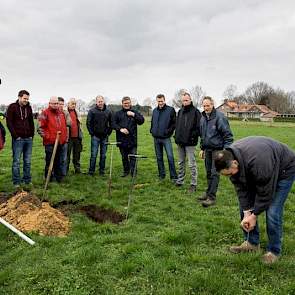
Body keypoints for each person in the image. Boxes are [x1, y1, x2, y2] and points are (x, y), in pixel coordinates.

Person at [214, 136, 295, 264]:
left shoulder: (258, 162)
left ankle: (274, 251)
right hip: (261, 168)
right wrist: (247, 213)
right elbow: (241, 190)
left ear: (235, 162)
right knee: (244, 207)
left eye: (229, 174)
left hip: (284, 169)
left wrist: (254, 215)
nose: (230, 177)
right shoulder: (230, 158)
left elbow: (265, 193)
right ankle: (251, 243)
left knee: (273, 210)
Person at [198, 96, 233, 207]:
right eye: (204, 106)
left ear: (212, 105)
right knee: (208, 173)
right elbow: (202, 135)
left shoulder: (220, 117)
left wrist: (225, 152)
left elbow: (228, 136)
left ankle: (211, 198)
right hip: (207, 149)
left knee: (214, 173)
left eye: (208, 105)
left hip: (218, 150)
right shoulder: (203, 117)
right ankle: (208, 193)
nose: (206, 108)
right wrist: (202, 148)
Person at [6, 90, 35, 190]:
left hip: (28, 139)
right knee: (16, 161)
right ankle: (16, 182)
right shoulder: (12, 107)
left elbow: (31, 122)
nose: (26, 100)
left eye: (27, 99)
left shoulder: (29, 108)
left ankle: (27, 180)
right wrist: (15, 136)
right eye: (24, 98)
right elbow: (9, 122)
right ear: (19, 97)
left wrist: (32, 135)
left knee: (27, 161)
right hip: (18, 139)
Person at [174, 92, 201, 193]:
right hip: (180, 142)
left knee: (191, 164)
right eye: (183, 100)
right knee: (181, 162)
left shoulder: (196, 112)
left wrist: (193, 136)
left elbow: (199, 128)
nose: (185, 102)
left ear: (190, 100)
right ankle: (180, 180)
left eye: (186, 100)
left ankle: (193, 184)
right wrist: (176, 136)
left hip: (190, 142)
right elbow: (178, 126)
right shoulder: (180, 111)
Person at [112, 96, 144, 177]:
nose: (127, 105)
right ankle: (126, 171)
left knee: (133, 157)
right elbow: (113, 124)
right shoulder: (117, 114)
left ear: (130, 103)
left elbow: (141, 121)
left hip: (132, 139)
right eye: (125, 103)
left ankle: (133, 173)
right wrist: (120, 129)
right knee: (124, 157)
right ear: (122, 104)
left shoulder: (134, 112)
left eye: (128, 103)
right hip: (121, 139)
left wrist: (134, 115)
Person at [38, 96, 67, 182]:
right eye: (54, 103)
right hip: (50, 143)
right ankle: (48, 178)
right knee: (49, 161)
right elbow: (40, 128)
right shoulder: (44, 113)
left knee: (58, 161)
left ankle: (58, 177)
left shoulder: (61, 113)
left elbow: (64, 126)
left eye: (57, 103)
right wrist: (49, 137)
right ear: (49, 103)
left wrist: (64, 138)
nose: (56, 105)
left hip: (60, 142)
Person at [150, 94, 177, 181]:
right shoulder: (154, 111)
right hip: (156, 138)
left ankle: (173, 177)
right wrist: (152, 130)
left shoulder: (170, 110)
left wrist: (168, 132)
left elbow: (174, 123)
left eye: (162, 101)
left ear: (164, 100)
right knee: (159, 157)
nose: (160, 103)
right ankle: (161, 175)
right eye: (158, 101)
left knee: (170, 157)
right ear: (156, 101)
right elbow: (153, 122)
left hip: (166, 138)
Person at [86, 95, 112, 176]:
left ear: (103, 101)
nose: (100, 103)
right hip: (95, 137)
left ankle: (102, 171)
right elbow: (88, 123)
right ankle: (91, 171)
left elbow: (111, 123)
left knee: (103, 155)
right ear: (96, 102)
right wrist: (92, 133)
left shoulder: (108, 111)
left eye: (101, 101)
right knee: (93, 155)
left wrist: (108, 132)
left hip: (104, 137)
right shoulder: (92, 111)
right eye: (99, 101)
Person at [67, 98, 83, 174]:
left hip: (77, 137)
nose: (73, 105)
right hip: (68, 138)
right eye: (72, 103)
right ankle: (65, 170)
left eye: (75, 104)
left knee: (77, 154)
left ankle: (77, 170)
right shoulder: (65, 112)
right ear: (68, 104)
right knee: (67, 155)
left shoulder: (77, 112)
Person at [58, 97, 71, 177]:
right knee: (56, 157)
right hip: (54, 140)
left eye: (62, 104)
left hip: (65, 139)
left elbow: (69, 123)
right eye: (59, 104)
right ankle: (54, 173)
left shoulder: (65, 113)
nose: (61, 106)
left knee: (64, 158)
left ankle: (63, 174)